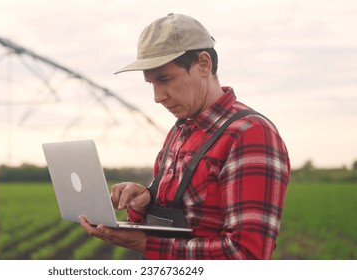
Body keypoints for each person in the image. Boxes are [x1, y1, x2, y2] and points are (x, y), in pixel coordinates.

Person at [79, 13, 290, 260]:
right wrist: (143, 203)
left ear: (203, 64)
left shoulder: (250, 134)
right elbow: (182, 218)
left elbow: (247, 255)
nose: (157, 97)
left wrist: (149, 246)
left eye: (165, 79)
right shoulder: (180, 130)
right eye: (151, 84)